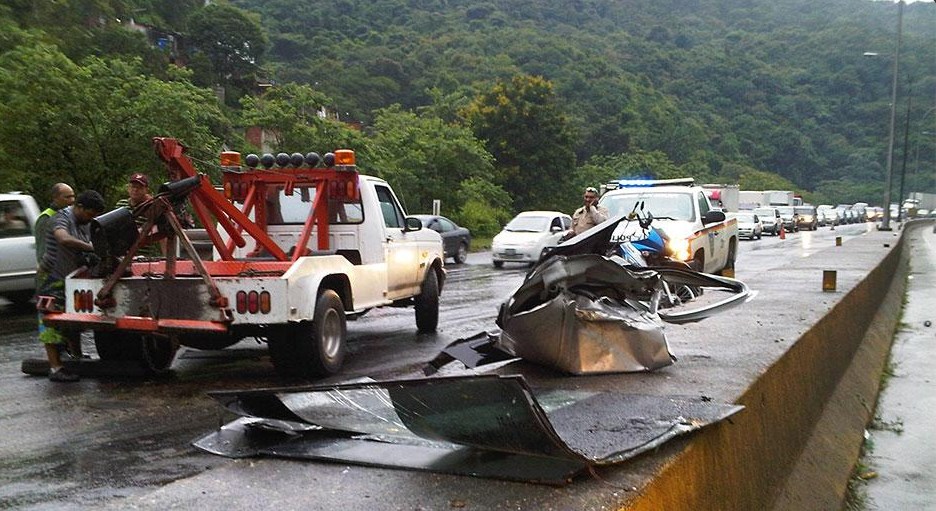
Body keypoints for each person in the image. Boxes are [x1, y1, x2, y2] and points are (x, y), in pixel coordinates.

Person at [37, 190, 106, 382]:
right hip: (51, 278)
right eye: (89, 214)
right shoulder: (61, 219)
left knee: (73, 321)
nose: (91, 219)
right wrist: (92, 248)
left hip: (71, 278)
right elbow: (63, 239)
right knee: (50, 321)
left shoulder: (85, 222)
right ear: (79, 207)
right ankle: (55, 367)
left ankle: (77, 356)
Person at [116, 173, 161, 257]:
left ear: (146, 190)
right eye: (133, 187)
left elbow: (159, 230)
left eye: (139, 188)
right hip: (122, 253)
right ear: (128, 188)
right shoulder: (121, 204)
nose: (135, 190)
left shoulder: (151, 207)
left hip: (143, 255)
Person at [35, 183, 76, 263]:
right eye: (67, 197)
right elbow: (43, 248)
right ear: (55, 198)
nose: (72, 200)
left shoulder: (70, 215)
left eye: (73, 196)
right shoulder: (46, 218)